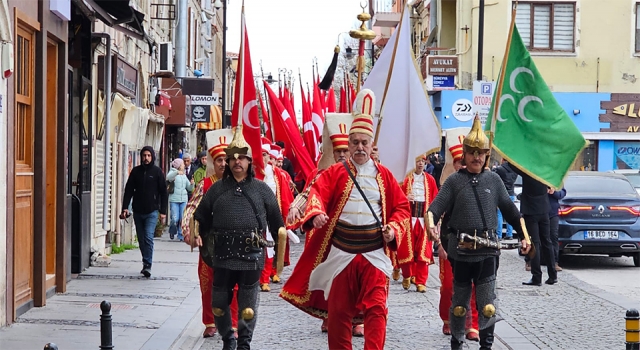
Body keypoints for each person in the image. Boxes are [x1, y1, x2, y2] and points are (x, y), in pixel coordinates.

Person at [280, 89, 411, 350]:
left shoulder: (384, 176)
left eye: (365, 142)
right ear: (348, 145)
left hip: (374, 253)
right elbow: (317, 193)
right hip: (342, 253)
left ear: (372, 145)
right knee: (339, 313)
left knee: (377, 309)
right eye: (355, 143)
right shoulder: (335, 172)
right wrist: (315, 213)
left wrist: (394, 229)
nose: (360, 148)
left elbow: (402, 208)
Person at [427, 117, 530, 350]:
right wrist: (431, 226)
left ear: (486, 155)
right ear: (464, 154)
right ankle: (457, 342)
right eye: (472, 152)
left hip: (488, 252)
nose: (477, 157)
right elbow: (434, 209)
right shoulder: (454, 182)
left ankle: (487, 346)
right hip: (461, 251)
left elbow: (512, 211)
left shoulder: (493, 180)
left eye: (481, 153)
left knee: (487, 305)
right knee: (460, 303)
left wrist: (525, 235)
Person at [194, 127, 285, 350]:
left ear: (249, 161)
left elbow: (277, 223)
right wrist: (198, 234)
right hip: (223, 255)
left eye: (241, 157)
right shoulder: (216, 190)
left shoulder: (262, 190)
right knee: (218, 305)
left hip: (251, 255)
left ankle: (244, 343)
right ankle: (228, 339)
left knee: (247, 306)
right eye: (232, 158)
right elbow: (201, 217)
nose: (236, 162)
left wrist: (278, 256)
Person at [286, 112, 356, 335]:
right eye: (339, 151)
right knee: (332, 277)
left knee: (355, 277)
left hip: (357, 234)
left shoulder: (364, 174)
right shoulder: (323, 173)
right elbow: (308, 193)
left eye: (346, 150)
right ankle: (330, 315)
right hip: (329, 236)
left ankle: (357, 318)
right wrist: (295, 207)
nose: (343, 155)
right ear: (332, 152)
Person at [181, 130, 239, 338]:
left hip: (234, 244)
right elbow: (191, 209)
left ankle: (233, 323)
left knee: (235, 285)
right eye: (219, 160)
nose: (223, 163)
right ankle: (210, 322)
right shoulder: (205, 185)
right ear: (212, 163)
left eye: (226, 159)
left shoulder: (240, 185)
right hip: (210, 244)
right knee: (208, 285)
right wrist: (191, 231)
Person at [437, 139, 480, 342]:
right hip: (450, 243)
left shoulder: (485, 182)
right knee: (448, 286)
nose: (462, 165)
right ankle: (448, 319)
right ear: (453, 164)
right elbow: (437, 216)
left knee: (475, 286)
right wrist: (439, 244)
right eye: (458, 161)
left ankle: (473, 325)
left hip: (476, 245)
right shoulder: (449, 186)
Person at [121, 146, 168, 278]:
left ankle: (148, 265)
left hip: (152, 211)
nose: (146, 158)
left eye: (148, 155)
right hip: (137, 211)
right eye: (144, 155)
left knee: (148, 237)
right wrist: (125, 207)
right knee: (141, 239)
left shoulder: (157, 172)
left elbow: (164, 192)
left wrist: (163, 211)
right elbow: (129, 190)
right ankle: (145, 261)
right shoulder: (136, 172)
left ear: (152, 157)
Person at [509, 163, 558, 286]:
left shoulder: (527, 170)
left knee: (534, 244)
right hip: (544, 210)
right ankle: (553, 275)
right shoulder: (544, 171)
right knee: (547, 242)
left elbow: (513, 166)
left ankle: (537, 277)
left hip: (531, 211)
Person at [259, 138, 295, 292]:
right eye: (260, 154)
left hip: (272, 215)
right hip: (253, 216)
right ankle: (260, 277)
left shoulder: (277, 174)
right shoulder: (250, 172)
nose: (263, 157)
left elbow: (285, 196)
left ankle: (267, 276)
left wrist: (287, 216)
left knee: (271, 246)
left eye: (265, 154)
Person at [400, 154, 438, 292]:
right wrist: (405, 197)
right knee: (406, 249)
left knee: (424, 251)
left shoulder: (430, 180)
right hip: (408, 219)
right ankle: (407, 275)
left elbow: (435, 200)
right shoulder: (405, 179)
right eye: (418, 161)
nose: (420, 164)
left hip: (424, 219)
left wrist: (435, 222)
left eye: (422, 161)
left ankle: (422, 281)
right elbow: (396, 197)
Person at [166, 158, 194, 241]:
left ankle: (180, 235)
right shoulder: (173, 172)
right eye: (182, 164)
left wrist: (192, 184)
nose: (184, 165)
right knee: (175, 218)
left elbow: (189, 188)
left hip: (183, 199)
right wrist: (177, 172)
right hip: (174, 199)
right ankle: (172, 231)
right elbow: (168, 177)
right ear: (178, 166)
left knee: (182, 218)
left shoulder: (184, 175)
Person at [494, 160, 518, 240]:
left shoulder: (501, 169)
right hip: (511, 193)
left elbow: (494, 176)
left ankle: (499, 235)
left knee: (499, 214)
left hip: (502, 193)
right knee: (510, 214)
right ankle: (509, 234)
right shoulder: (515, 171)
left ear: (503, 160)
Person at [548, 186, 566, 272]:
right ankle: (530, 261)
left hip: (552, 212)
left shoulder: (556, 178)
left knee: (553, 236)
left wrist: (553, 192)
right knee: (536, 236)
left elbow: (562, 193)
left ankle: (554, 262)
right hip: (538, 210)